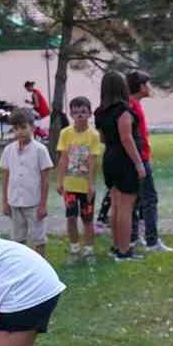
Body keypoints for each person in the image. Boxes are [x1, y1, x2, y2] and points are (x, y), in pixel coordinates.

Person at [94, 70, 147, 261]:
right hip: (125, 161)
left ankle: (116, 247)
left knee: (116, 205)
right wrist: (139, 164)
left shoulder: (100, 112)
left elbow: (102, 137)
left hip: (109, 157)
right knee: (126, 207)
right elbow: (127, 138)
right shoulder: (123, 110)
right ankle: (124, 251)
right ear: (122, 87)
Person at [127, 70, 172, 253]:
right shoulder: (131, 106)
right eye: (146, 84)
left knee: (137, 201)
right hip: (139, 160)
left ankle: (134, 238)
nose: (148, 88)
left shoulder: (134, 104)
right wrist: (139, 162)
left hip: (141, 158)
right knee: (149, 199)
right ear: (139, 86)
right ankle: (152, 241)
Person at [0, 106, 55, 258]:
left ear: (33, 127)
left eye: (23, 127)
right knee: (17, 238)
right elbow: (5, 177)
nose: (20, 132)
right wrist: (5, 202)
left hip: (34, 202)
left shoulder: (40, 150)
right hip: (15, 202)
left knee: (38, 238)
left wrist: (43, 204)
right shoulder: (8, 150)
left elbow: (45, 180)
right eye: (16, 128)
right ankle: (21, 264)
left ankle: (41, 265)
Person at [55, 95, 101, 262]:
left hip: (85, 186)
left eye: (83, 112)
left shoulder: (93, 136)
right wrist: (59, 181)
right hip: (70, 186)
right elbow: (63, 159)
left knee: (87, 219)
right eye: (75, 112)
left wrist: (91, 185)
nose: (80, 115)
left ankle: (89, 248)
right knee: (71, 217)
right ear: (71, 115)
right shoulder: (65, 134)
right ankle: (74, 247)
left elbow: (93, 162)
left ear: (89, 114)